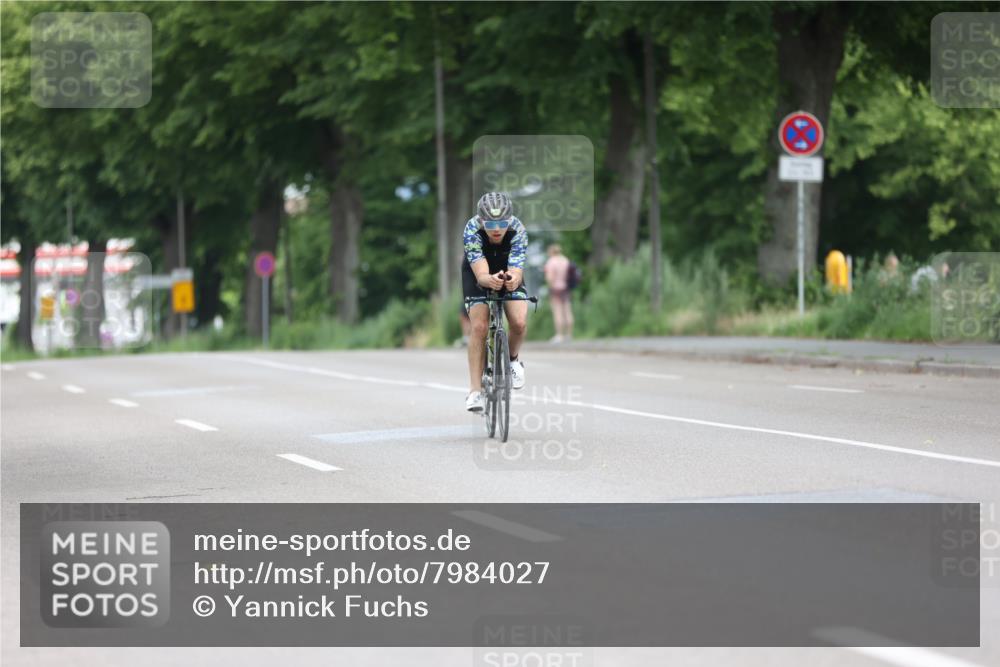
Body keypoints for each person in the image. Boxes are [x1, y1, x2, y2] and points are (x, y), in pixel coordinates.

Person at [462, 192, 529, 413]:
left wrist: (513, 280)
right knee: (479, 326)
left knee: (518, 322)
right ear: (482, 221)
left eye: (502, 223)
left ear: (509, 220)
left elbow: (517, 270)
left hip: (507, 267)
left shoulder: (518, 229)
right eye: (490, 223)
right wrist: (488, 280)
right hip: (477, 272)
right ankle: (474, 391)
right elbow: (481, 275)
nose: (497, 228)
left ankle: (512, 360)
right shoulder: (472, 230)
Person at [543, 244, 574, 342]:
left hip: (555, 289)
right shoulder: (565, 260)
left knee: (557, 312)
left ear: (551, 252)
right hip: (566, 288)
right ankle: (569, 335)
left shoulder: (551, 262)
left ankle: (559, 335)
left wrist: (550, 285)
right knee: (567, 311)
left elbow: (550, 278)